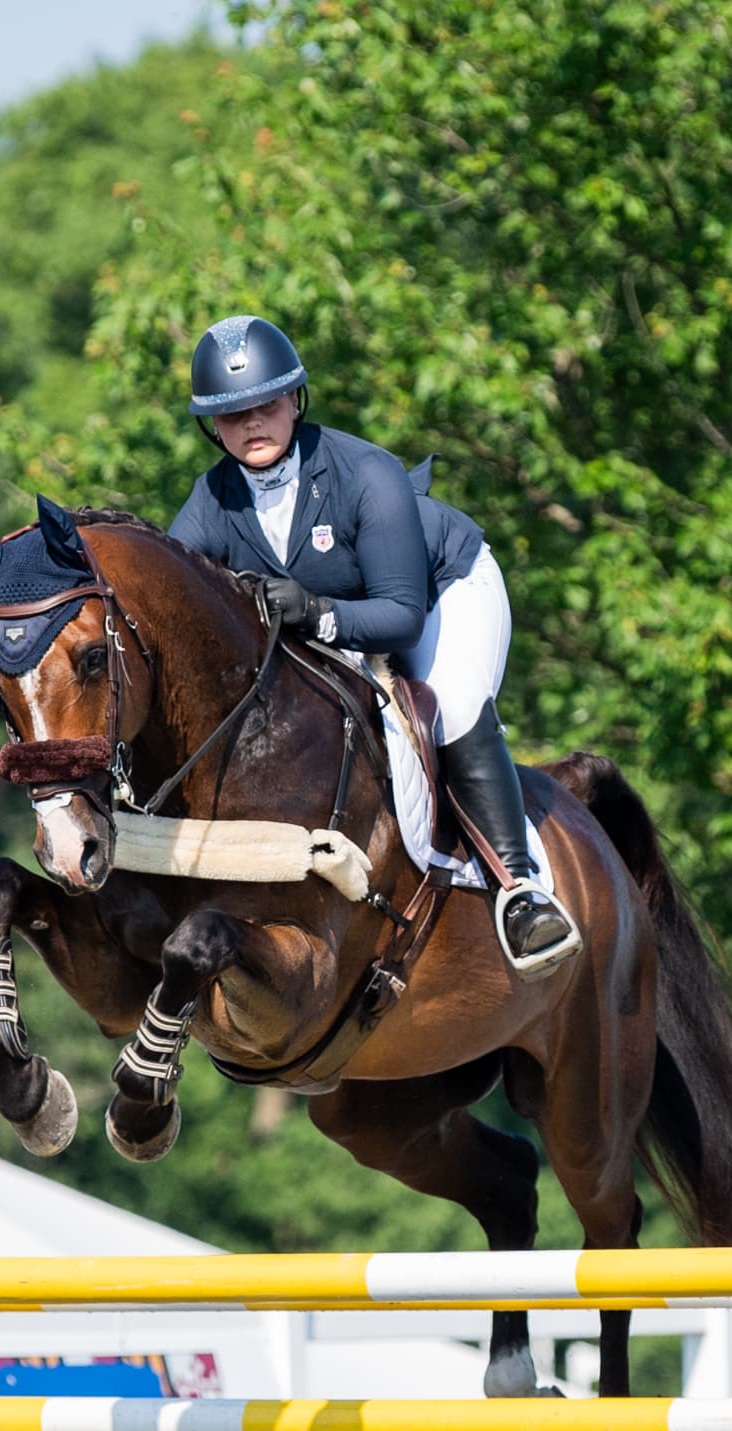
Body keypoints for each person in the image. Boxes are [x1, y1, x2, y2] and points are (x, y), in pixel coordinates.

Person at [166, 314, 581, 978]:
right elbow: (176, 601)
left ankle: (521, 890)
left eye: (265, 404)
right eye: (231, 414)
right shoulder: (211, 500)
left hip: (441, 591)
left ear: (295, 400)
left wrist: (318, 612)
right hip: (344, 616)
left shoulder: (364, 473)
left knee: (443, 704)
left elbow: (399, 619)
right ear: (210, 426)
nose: (251, 424)